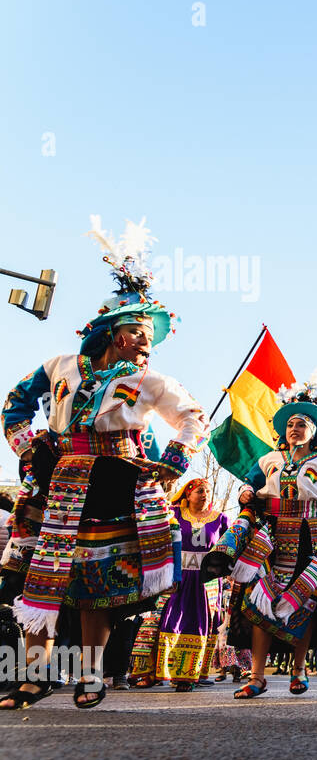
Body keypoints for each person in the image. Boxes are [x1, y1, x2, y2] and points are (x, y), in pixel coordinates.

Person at [1, 218, 207, 709]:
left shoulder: (152, 382)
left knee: (97, 584)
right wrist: (29, 451)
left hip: (117, 482)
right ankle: (33, 677)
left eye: (149, 335)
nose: (145, 342)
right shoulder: (59, 367)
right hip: (60, 478)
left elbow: (192, 417)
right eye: (137, 332)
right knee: (44, 579)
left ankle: (90, 675)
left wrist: (172, 461)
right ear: (112, 333)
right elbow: (14, 405)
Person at [203, 373, 317, 699]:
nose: (294, 429)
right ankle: (256, 676)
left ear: (315, 431)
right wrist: (244, 493)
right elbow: (250, 482)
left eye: (301, 424)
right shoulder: (269, 459)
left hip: (310, 538)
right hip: (268, 537)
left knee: (305, 603)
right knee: (259, 601)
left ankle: (299, 669)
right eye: (290, 425)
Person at [150, 478, 228, 691]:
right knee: (169, 621)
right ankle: (160, 671)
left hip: (207, 580)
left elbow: (228, 549)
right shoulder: (174, 514)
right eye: (200, 491)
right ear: (188, 494)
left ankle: (188, 676)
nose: (205, 495)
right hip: (178, 576)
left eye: (208, 491)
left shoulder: (220, 519)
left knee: (200, 624)